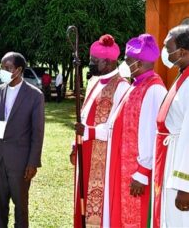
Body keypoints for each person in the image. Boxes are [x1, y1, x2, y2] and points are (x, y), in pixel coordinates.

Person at [103, 34, 167, 227]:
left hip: (137, 173)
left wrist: (141, 172)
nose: (125, 63)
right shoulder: (136, 84)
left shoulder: (154, 89)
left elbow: (150, 134)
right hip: (123, 164)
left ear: (139, 63)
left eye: (128, 60)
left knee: (136, 217)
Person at [71, 34, 130, 227]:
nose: (91, 64)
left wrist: (89, 131)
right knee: (82, 199)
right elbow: (85, 113)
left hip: (103, 155)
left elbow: (116, 126)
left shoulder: (121, 87)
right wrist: (75, 143)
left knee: (97, 206)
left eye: (94, 61)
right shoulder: (94, 82)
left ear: (108, 62)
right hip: (85, 148)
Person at [0, 51, 44, 227]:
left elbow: (37, 132)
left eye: (7, 68)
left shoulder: (34, 95)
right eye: (2, 67)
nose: (3, 71)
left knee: (21, 207)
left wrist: (33, 162)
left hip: (21, 163)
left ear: (18, 70)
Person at [152, 25, 189, 227]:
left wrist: (185, 185)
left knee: (179, 220)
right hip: (170, 155)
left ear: (182, 52)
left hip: (180, 165)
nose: (165, 53)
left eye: (168, 48)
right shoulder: (183, 75)